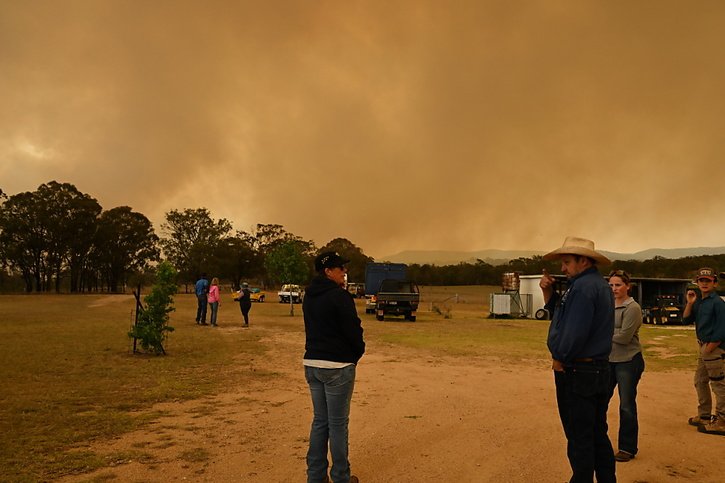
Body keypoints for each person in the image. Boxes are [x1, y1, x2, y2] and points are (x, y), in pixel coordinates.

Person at [540, 236, 616, 483]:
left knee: (579, 435)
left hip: (579, 371)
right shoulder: (595, 284)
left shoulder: (583, 288)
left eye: (566, 262)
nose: (562, 268)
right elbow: (567, 317)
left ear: (583, 260)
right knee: (596, 433)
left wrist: (560, 358)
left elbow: (575, 331)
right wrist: (548, 291)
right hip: (596, 370)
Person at [303, 251, 365, 483]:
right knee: (338, 425)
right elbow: (353, 331)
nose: (344, 271)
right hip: (337, 366)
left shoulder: (309, 295)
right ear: (328, 271)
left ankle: (315, 477)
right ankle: (341, 477)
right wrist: (356, 354)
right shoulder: (339, 296)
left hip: (312, 363)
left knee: (320, 421)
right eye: (340, 268)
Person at [606, 270, 644, 462]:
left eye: (618, 285)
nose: (614, 289)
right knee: (599, 402)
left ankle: (627, 448)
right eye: (611, 285)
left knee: (626, 406)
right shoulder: (607, 305)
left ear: (627, 286)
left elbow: (624, 337)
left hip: (628, 362)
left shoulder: (633, 308)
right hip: (608, 361)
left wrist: (602, 334)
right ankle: (600, 443)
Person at [682, 267, 725, 436]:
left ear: (714, 282)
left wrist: (709, 348)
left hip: (713, 349)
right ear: (697, 282)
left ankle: (722, 421)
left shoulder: (718, 303)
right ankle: (705, 415)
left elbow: (722, 330)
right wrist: (690, 303)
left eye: (708, 281)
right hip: (704, 348)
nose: (704, 283)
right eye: (701, 280)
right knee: (700, 381)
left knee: (718, 384)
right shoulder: (699, 301)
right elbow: (685, 320)